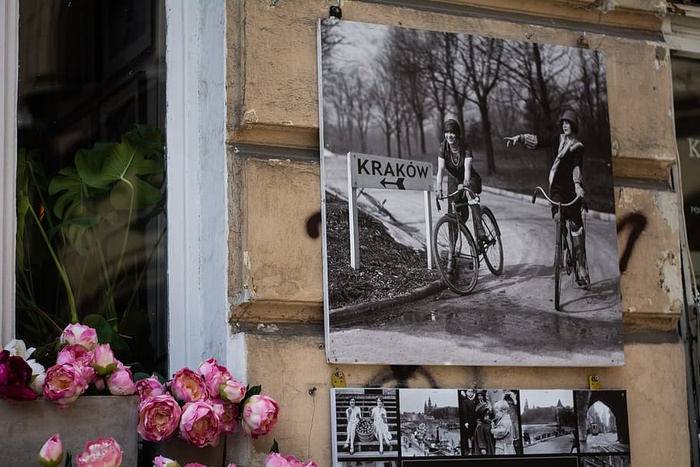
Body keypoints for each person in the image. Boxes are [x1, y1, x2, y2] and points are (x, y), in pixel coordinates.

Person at [504, 110, 590, 287]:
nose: (565, 125)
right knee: (558, 216)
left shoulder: (578, 146)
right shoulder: (558, 140)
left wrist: (578, 186)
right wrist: (520, 138)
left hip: (572, 189)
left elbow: (576, 167)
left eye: (568, 123)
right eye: (563, 123)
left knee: (576, 227)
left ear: (574, 125)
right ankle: (563, 247)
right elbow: (539, 141)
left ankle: (581, 269)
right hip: (557, 188)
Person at [435, 119, 486, 243]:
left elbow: (467, 168)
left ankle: (480, 229)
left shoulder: (465, 147)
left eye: (452, 132)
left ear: (457, 134)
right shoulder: (443, 147)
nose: (449, 136)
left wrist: (465, 183)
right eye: (446, 132)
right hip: (453, 179)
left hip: (470, 177)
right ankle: (452, 250)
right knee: (453, 213)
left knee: (469, 193)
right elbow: (441, 169)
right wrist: (439, 188)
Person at [460, 389, 479, 455]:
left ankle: (475, 449)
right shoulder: (465, 401)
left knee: (474, 435)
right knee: (469, 436)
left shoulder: (474, 401)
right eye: (469, 392)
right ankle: (470, 450)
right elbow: (465, 412)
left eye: (471, 392)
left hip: (475, 421)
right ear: (466, 393)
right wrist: (466, 422)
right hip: (469, 421)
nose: (470, 393)